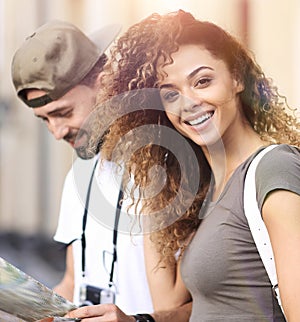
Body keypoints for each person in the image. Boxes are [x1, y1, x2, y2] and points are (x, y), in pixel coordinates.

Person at [80, 10, 300, 321]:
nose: (188, 102)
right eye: (171, 94)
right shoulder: (211, 188)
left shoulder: (273, 169)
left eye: (203, 81)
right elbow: (208, 304)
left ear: (236, 78)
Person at [11, 19, 192, 322]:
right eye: (44, 119)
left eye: (63, 113)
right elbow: (73, 281)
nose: (56, 132)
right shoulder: (78, 175)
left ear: (105, 81)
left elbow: (216, 306)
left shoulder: (171, 167)